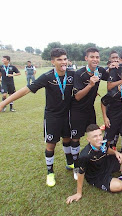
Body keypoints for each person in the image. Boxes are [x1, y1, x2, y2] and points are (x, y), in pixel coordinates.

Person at [0, 48, 75, 187]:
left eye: (65, 59)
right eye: (59, 60)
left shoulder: (72, 73)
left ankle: (70, 163)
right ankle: (50, 173)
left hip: (68, 115)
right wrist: (4, 102)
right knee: (51, 144)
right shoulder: (47, 76)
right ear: (53, 62)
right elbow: (26, 89)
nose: (63, 62)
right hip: (52, 116)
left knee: (67, 139)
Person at [66, 124, 122, 204]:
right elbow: (81, 174)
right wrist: (79, 193)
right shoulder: (84, 155)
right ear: (88, 139)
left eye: (100, 135)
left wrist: (116, 153)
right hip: (98, 176)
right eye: (95, 136)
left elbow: (107, 149)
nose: (99, 138)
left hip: (107, 163)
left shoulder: (102, 143)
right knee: (119, 186)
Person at [70, 47, 109, 179]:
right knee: (75, 139)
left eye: (97, 57)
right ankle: (76, 167)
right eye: (92, 57)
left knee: (95, 135)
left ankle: (95, 161)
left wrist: (115, 67)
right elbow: (77, 97)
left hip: (90, 109)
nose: (95, 59)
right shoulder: (79, 73)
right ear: (86, 58)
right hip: (77, 110)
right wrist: (90, 85)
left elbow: (111, 77)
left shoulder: (100, 71)